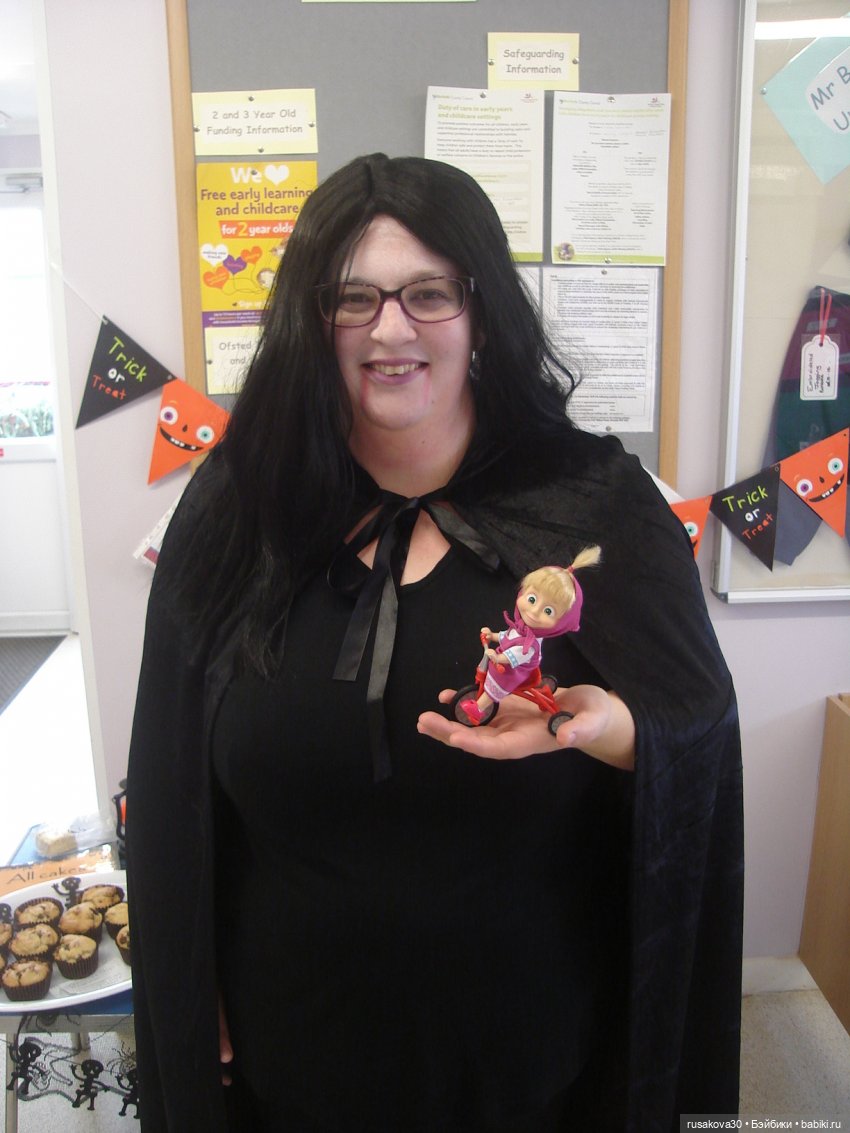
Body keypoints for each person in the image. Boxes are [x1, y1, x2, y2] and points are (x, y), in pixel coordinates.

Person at [126, 153, 743, 1133]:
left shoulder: (594, 502)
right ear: (311, 319)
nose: (390, 329)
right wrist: (181, 978)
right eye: (353, 298)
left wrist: (607, 726)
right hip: (293, 1058)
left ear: (482, 313)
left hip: (531, 1060)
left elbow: (697, 727)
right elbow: (168, 781)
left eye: (428, 294)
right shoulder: (241, 507)